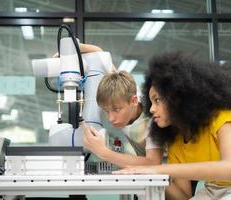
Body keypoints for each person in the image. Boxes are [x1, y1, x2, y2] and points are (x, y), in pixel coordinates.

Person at [113, 52, 231, 200]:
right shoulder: (176, 142)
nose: (151, 109)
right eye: (151, 102)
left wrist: (157, 169)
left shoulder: (222, 118)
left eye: (158, 100)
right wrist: (149, 173)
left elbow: (229, 168)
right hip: (213, 190)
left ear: (180, 98)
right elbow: (183, 196)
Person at [81, 43, 164, 169]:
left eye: (117, 110)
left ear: (134, 101)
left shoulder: (153, 118)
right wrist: (71, 48)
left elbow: (153, 162)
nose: (111, 118)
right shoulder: (122, 88)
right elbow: (100, 54)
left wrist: (103, 152)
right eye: (106, 111)